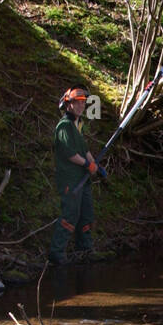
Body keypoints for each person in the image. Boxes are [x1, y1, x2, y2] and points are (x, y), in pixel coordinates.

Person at [49, 85, 105, 266]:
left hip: (83, 179)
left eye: (83, 103)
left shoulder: (77, 126)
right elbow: (69, 153)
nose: (81, 106)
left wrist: (95, 165)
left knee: (86, 214)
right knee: (70, 215)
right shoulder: (64, 126)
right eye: (77, 102)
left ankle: (85, 249)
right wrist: (87, 164)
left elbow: (84, 150)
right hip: (70, 181)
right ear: (68, 104)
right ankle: (57, 254)